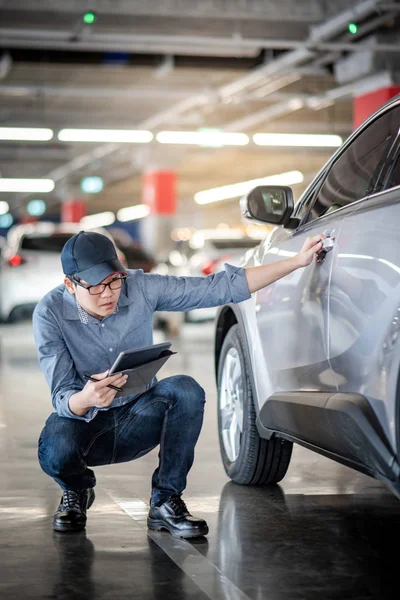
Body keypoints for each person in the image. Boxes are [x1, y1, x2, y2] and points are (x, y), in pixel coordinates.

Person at [33, 230, 323, 538]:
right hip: (87, 425)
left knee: (185, 389)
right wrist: (88, 398)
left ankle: (165, 502)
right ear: (70, 284)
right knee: (54, 448)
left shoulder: (140, 287)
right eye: (96, 286)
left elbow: (218, 287)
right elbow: (62, 394)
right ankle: (77, 491)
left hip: (139, 416)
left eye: (114, 280)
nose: (108, 293)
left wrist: (297, 262)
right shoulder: (49, 313)